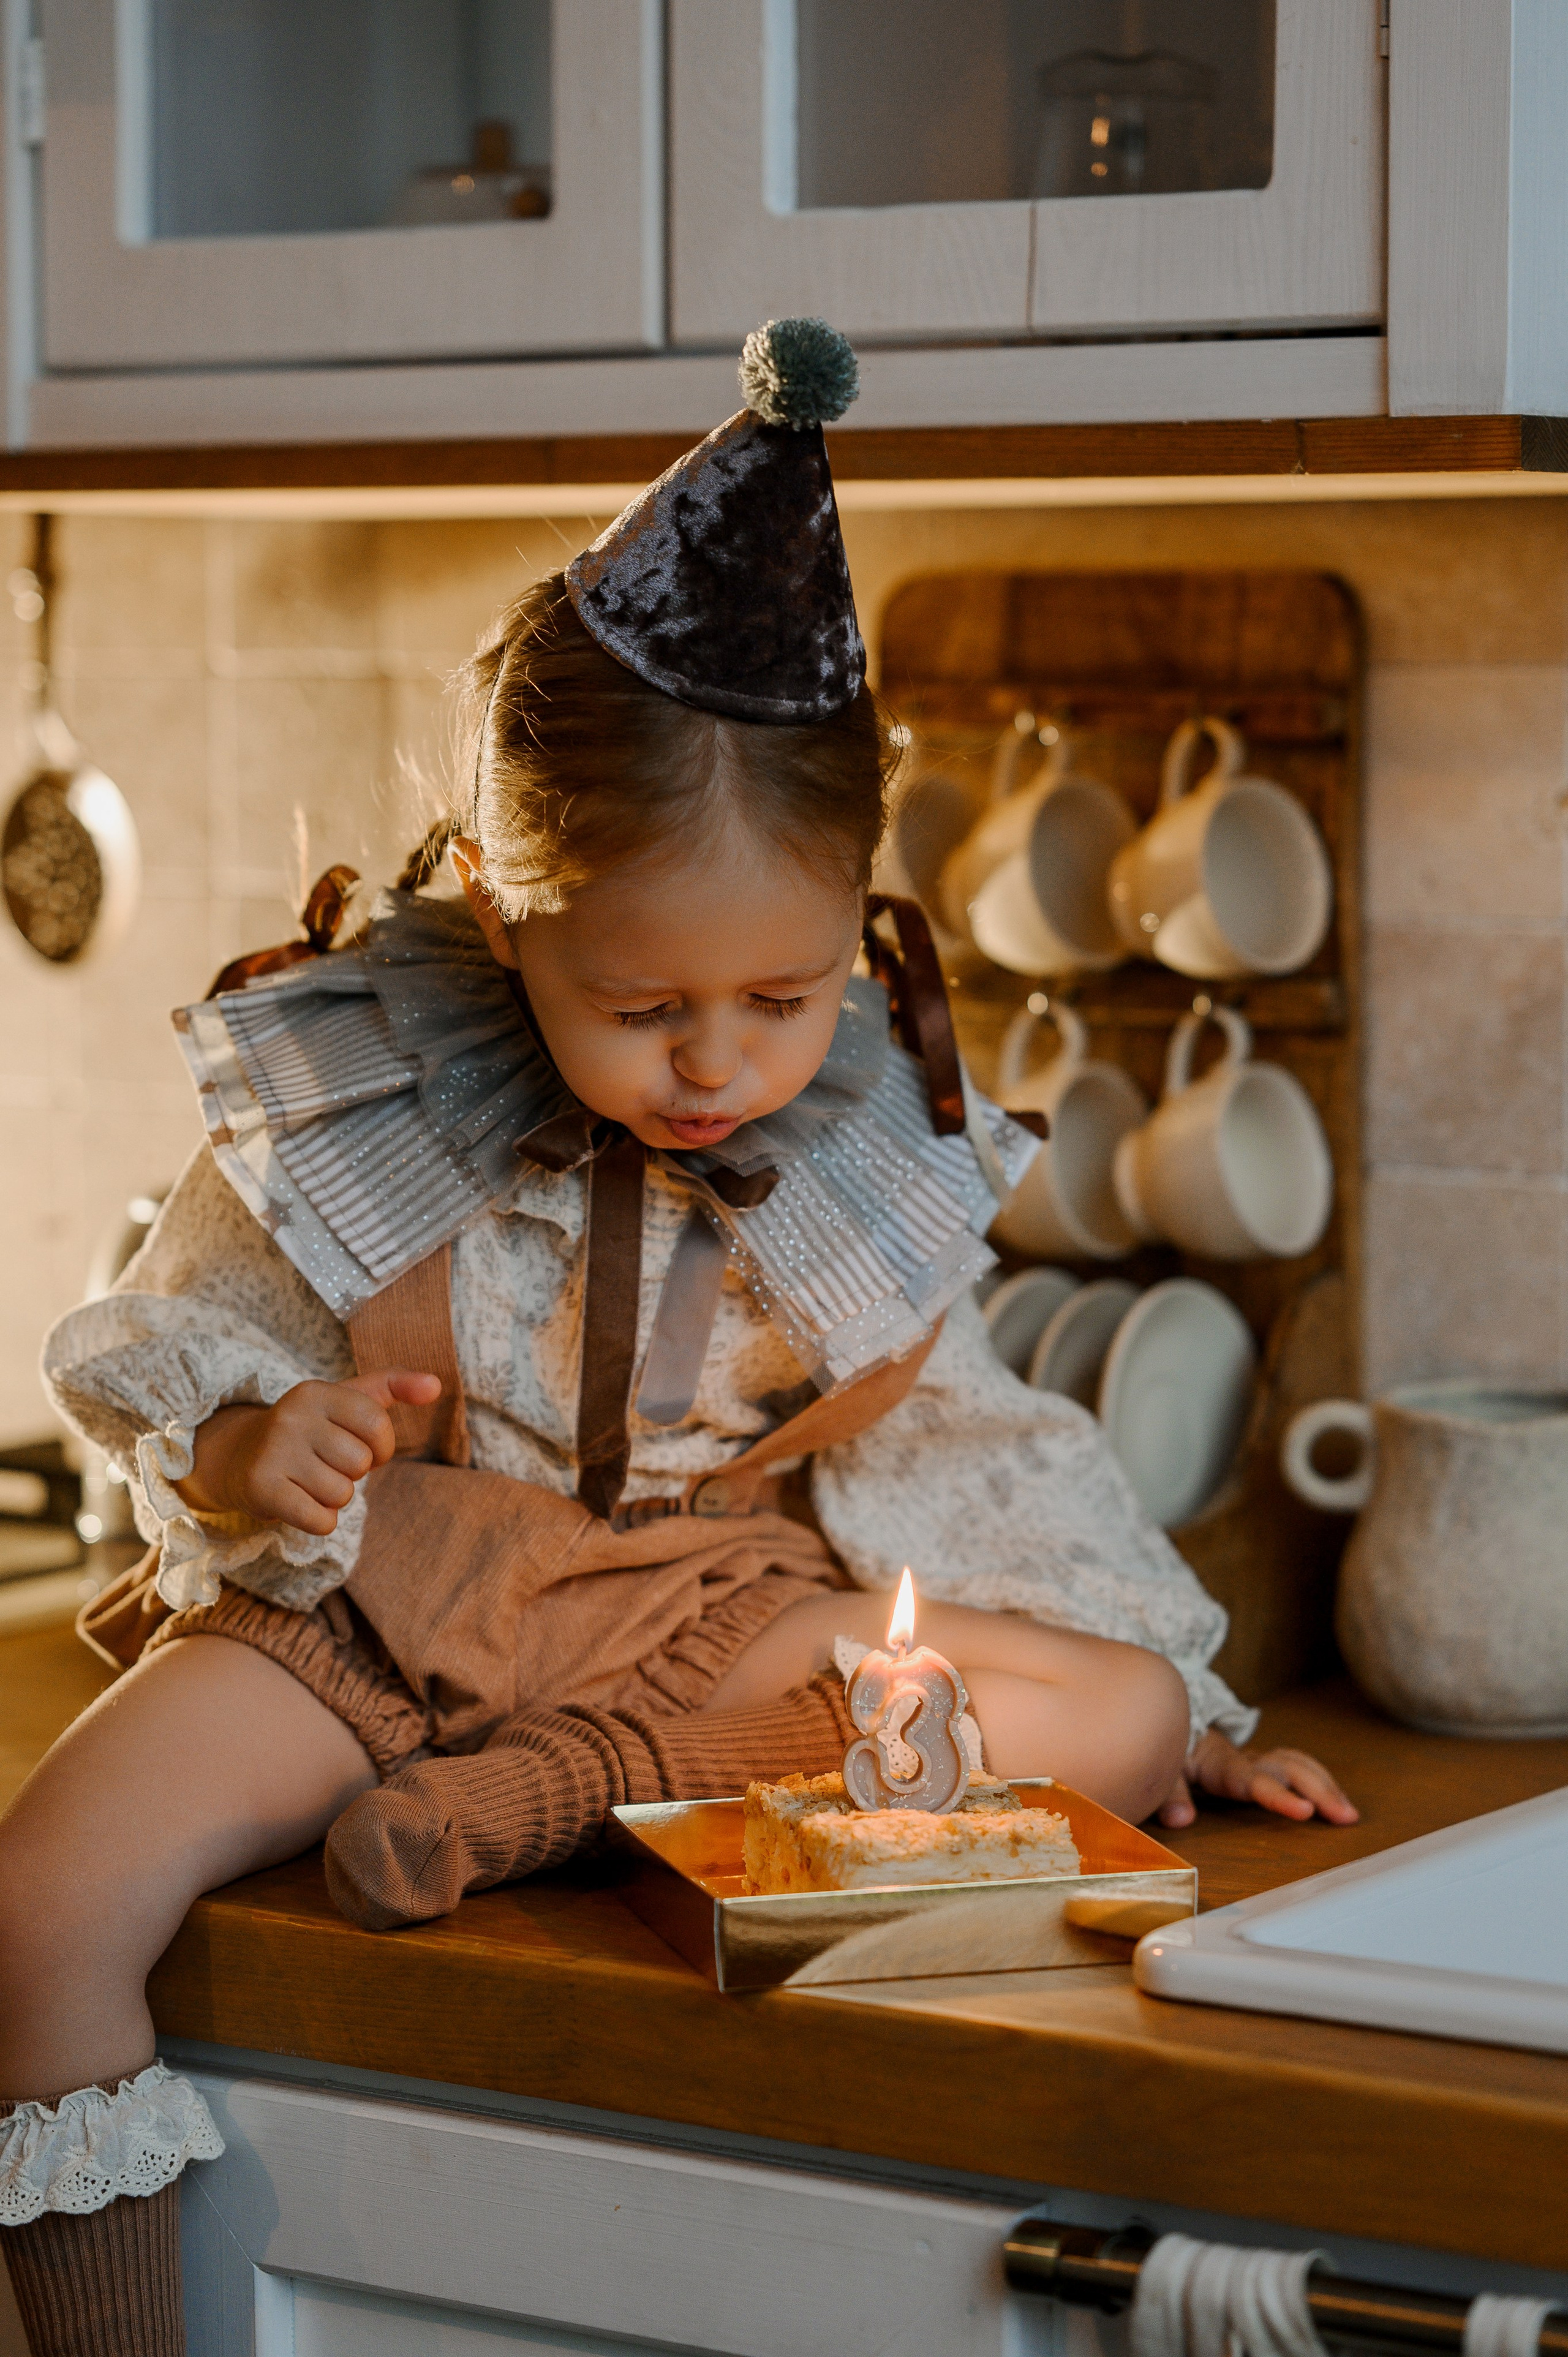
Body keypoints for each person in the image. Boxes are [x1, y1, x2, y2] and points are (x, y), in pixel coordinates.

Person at [0, 320, 1353, 2356]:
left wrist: (1207, 1719)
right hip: (374, 1612)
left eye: (783, 1000)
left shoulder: (848, 1140)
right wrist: (244, 1451)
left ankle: (543, 1793)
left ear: (850, 924)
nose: (720, 1064)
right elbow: (166, 1347)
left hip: (703, 1624)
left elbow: (969, 1447)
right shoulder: (368, 1086)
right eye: (642, 1011)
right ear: (508, 914)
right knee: (35, 1909)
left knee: (1125, 1725)